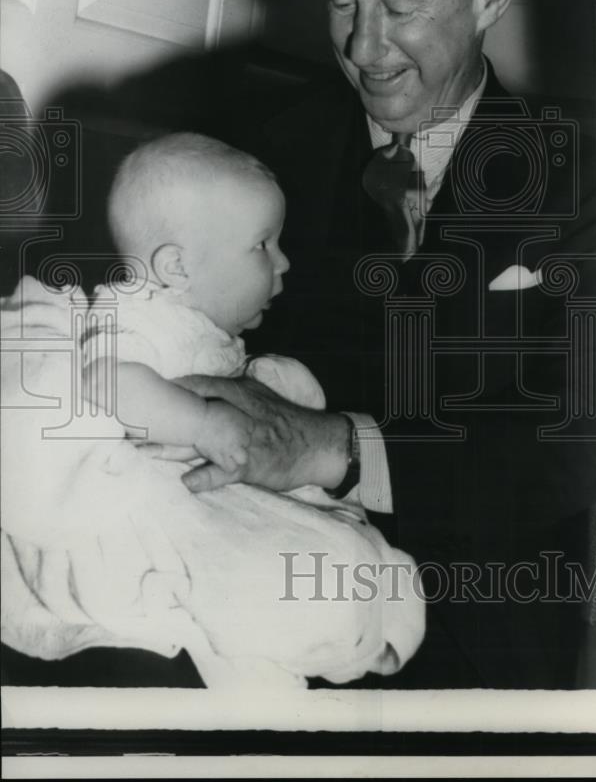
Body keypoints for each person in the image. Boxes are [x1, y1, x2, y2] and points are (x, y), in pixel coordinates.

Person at [178, 0, 596, 689]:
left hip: (474, 625)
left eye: (400, 4)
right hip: (246, 584)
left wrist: (333, 447)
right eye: (341, 1)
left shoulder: (594, 183)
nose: (363, 48)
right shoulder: (258, 148)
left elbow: (581, 445)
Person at [0, 133, 424, 688]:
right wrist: (202, 421)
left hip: (211, 493)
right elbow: (107, 381)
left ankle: (366, 620)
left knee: (352, 558)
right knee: (291, 578)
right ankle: (344, 634)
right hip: (150, 509)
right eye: (263, 245)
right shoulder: (136, 316)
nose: (284, 261)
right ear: (176, 267)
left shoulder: (191, 322)